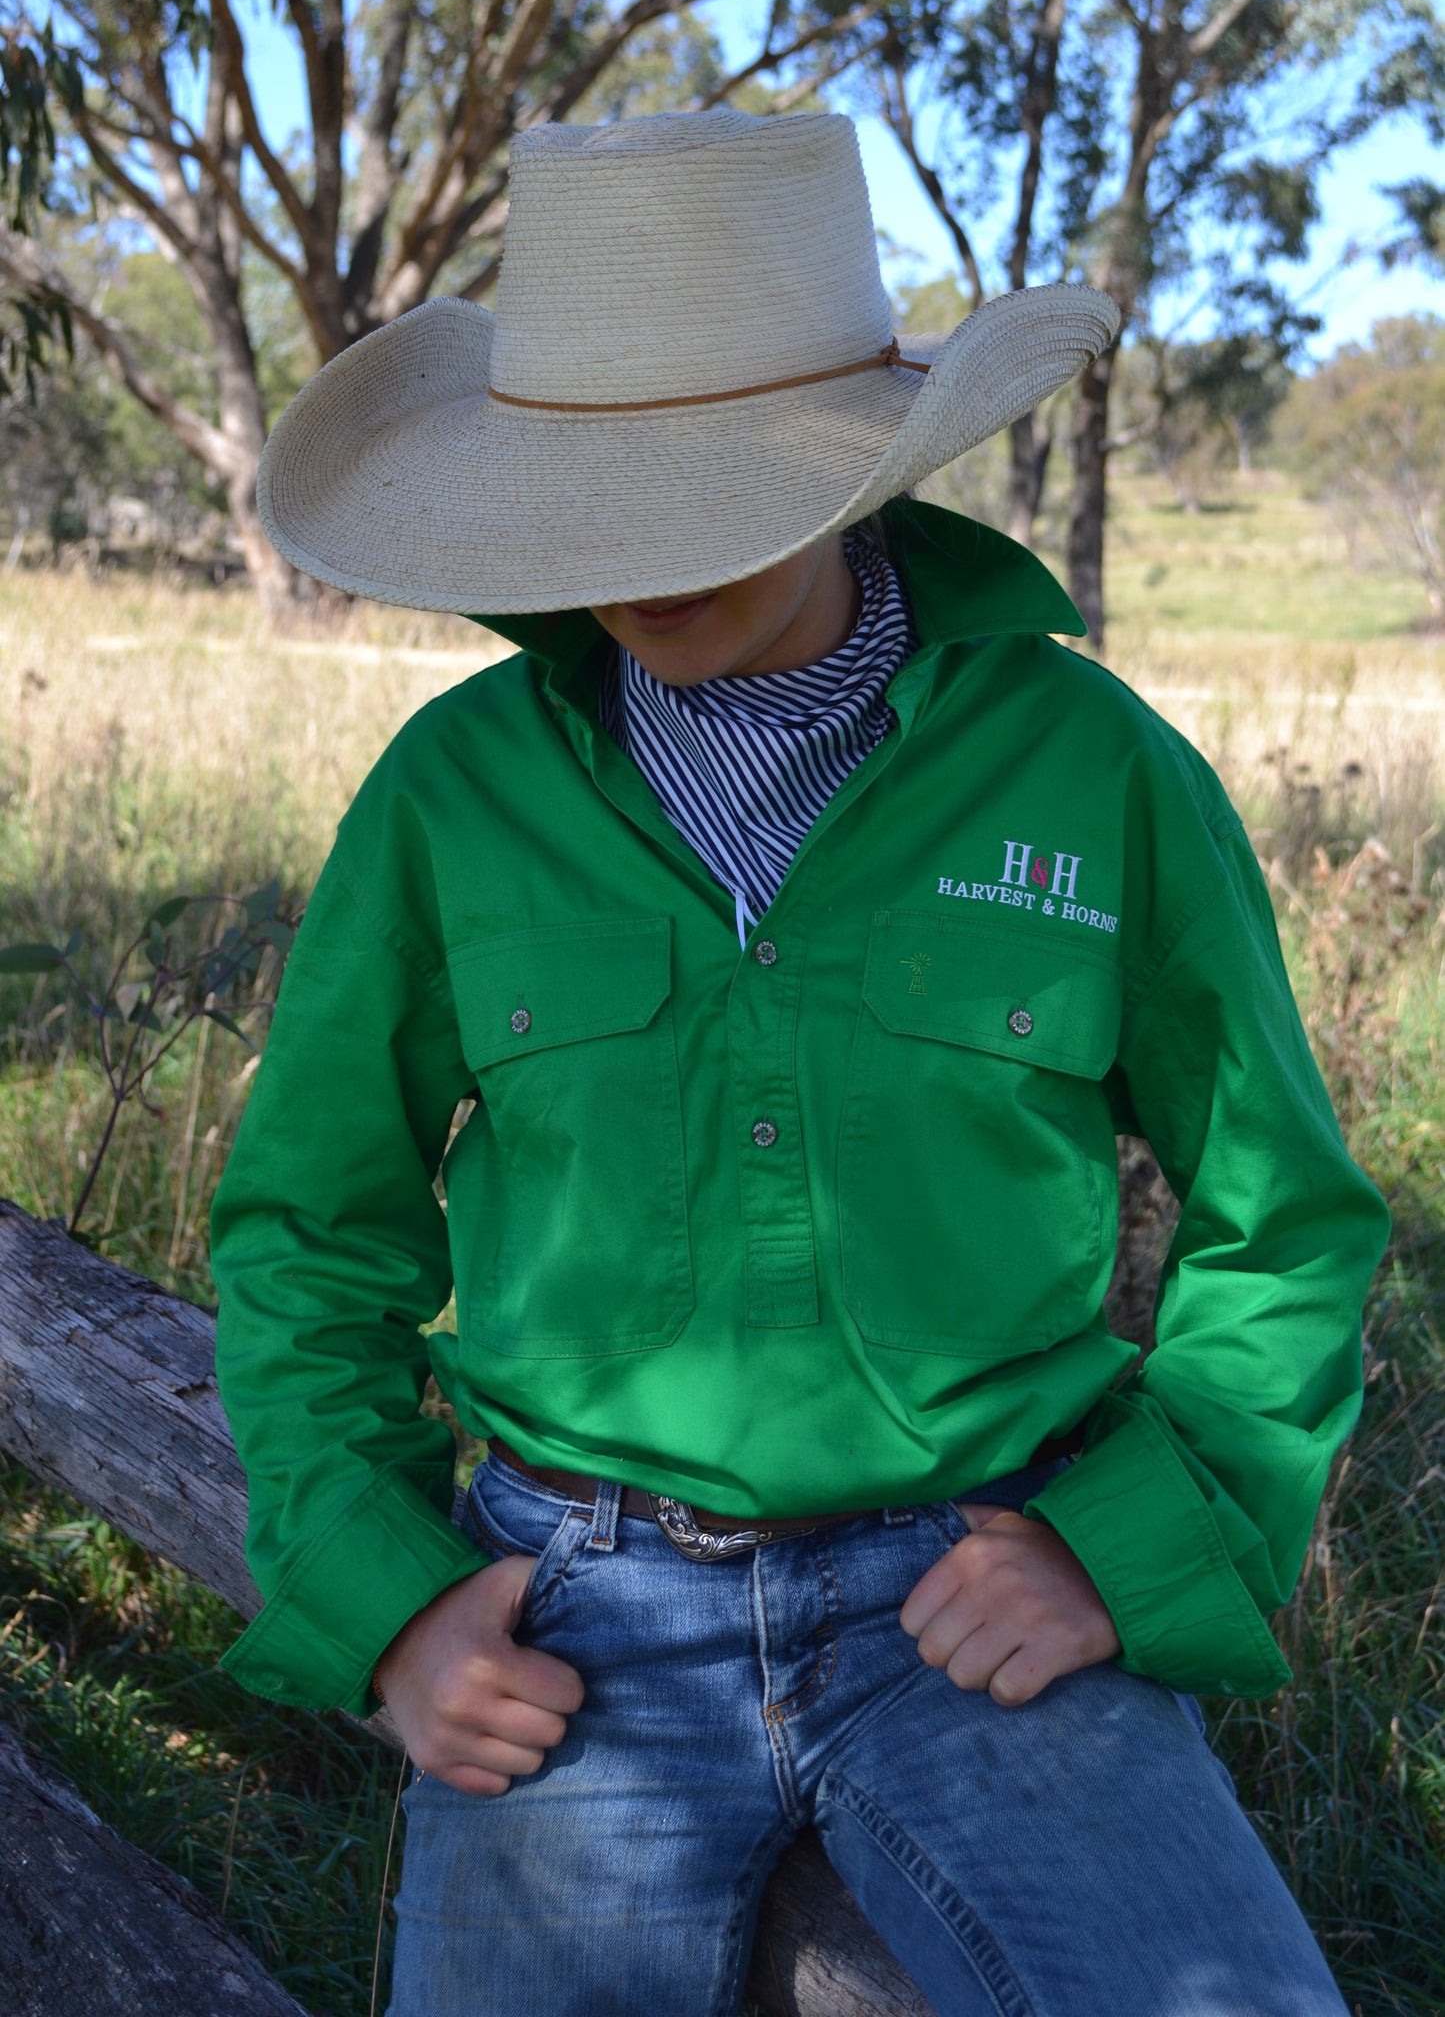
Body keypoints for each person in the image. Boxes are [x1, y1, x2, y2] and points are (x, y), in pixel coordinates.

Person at [211, 108, 1389, 2017]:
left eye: (703, 497)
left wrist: (1136, 1543)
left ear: (855, 471)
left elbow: (1285, 1210)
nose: (637, 564)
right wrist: (388, 1596)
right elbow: (303, 1226)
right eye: (590, 503)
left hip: (981, 1580)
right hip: (568, 1610)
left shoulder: (1090, 775)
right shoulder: (454, 799)